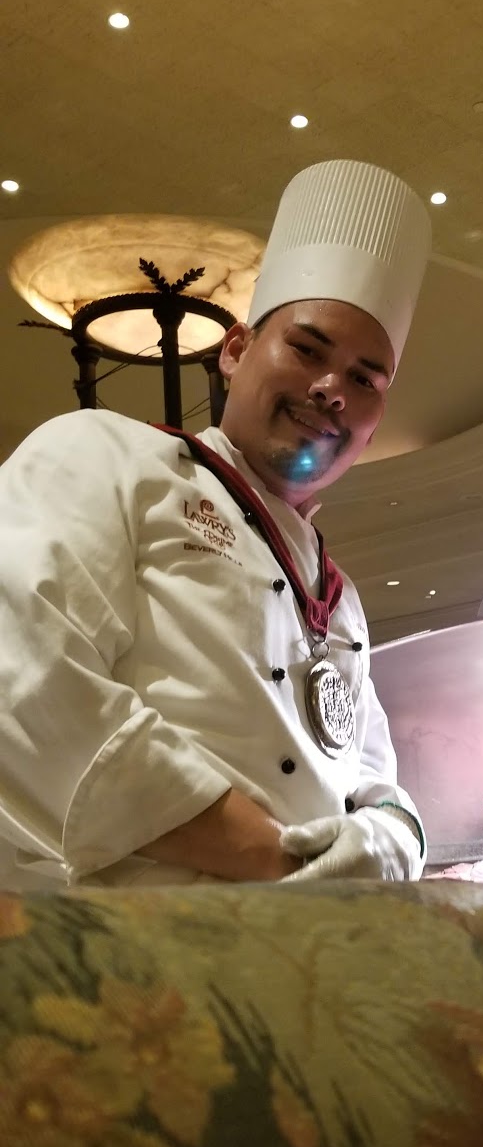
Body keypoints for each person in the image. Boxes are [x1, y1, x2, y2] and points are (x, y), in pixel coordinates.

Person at [0, 159, 431, 890]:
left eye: (364, 379)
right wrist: (269, 864)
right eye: (307, 349)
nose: (332, 389)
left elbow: (370, 771)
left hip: (316, 945)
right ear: (235, 351)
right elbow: (22, 671)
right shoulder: (104, 454)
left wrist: (396, 840)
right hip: (124, 943)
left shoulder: (341, 599)